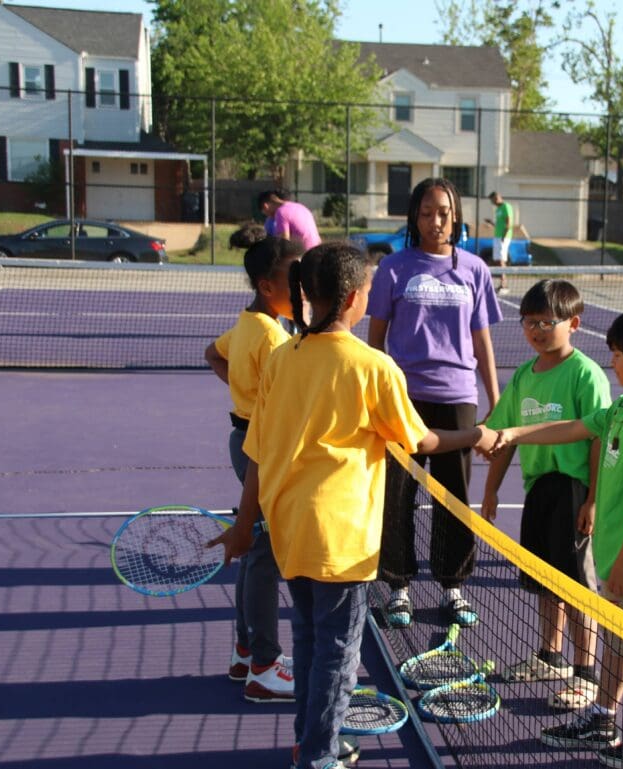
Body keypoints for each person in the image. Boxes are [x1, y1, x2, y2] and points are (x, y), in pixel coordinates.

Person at [211, 242, 496, 769]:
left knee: (310, 641)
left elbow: (256, 452)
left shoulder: (281, 358)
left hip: (290, 529)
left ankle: (310, 741)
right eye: (368, 288)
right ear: (352, 297)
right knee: (338, 656)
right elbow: (421, 441)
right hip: (341, 541)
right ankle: (319, 756)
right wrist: (477, 433)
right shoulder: (374, 366)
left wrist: (243, 527)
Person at [490, 305, 623, 769]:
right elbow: (574, 428)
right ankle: (603, 714)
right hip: (617, 551)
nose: (612, 361)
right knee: (619, 644)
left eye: (619, 355)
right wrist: (516, 432)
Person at [368, 177, 503, 630]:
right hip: (404, 399)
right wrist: (378, 396)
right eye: (426, 212)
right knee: (398, 496)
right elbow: (375, 341)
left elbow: (481, 340)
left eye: (443, 211)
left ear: (456, 215)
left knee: (455, 498)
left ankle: (453, 587)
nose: (435, 220)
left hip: (458, 397)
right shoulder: (394, 268)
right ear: (414, 217)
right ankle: (399, 587)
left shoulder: (475, 269)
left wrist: (495, 400)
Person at [481, 279, 610, 711]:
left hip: (573, 489)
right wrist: (491, 491)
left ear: (573, 323)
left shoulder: (585, 374)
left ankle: (586, 672)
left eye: (545, 322)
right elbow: (504, 437)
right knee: (544, 581)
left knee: (576, 585)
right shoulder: (522, 376)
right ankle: (550, 656)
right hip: (538, 490)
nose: (535, 330)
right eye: (528, 322)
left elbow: (598, 438)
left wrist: (592, 499)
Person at [204, 236, 301, 704]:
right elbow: (285, 407)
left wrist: (244, 393)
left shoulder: (249, 324)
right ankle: (263, 666)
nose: (303, 284)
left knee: (253, 547)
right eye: (294, 276)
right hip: (261, 450)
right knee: (263, 556)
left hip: (242, 440)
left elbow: (212, 353)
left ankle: (246, 652)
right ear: (268, 285)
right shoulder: (273, 337)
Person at [486, 190, 514, 293]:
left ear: (497, 197)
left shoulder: (506, 207)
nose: (492, 202)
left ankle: (504, 285)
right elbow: (499, 225)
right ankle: (502, 284)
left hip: (503, 237)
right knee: (498, 260)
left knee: (502, 260)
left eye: (493, 200)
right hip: (497, 237)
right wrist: (491, 223)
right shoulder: (498, 210)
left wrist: (504, 236)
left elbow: (509, 223)